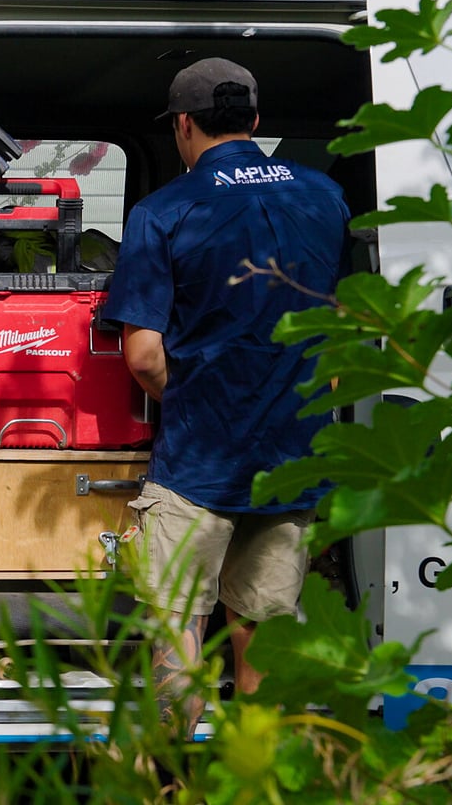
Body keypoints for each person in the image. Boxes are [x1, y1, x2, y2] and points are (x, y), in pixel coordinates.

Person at [102, 57, 351, 738]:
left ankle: (173, 782)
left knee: (180, 629)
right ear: (256, 121)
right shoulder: (323, 198)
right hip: (290, 459)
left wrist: (192, 402)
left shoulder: (164, 211)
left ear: (183, 125)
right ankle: (256, 781)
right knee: (262, 638)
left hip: (197, 465)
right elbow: (338, 335)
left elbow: (145, 355)